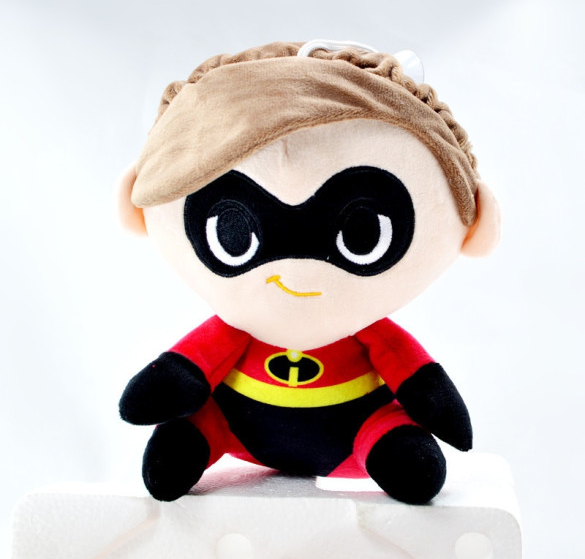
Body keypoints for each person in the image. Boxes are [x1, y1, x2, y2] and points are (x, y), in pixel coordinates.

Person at [117, 41, 501, 504]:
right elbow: (186, 369)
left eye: (363, 236)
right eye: (232, 235)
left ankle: (386, 443)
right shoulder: (236, 330)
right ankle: (200, 435)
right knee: (192, 433)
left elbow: (418, 378)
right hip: (237, 427)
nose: (295, 273)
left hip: (356, 431)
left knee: (402, 454)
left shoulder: (367, 332)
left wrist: (436, 406)